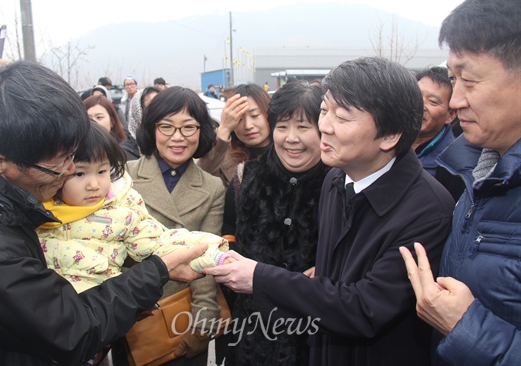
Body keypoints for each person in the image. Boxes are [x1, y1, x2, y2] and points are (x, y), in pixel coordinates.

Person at [204, 57, 456, 366]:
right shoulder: (337, 178)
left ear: (390, 135)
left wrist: (260, 276)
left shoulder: (428, 211)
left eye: (343, 116)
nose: (324, 126)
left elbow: (365, 308)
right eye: (324, 111)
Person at [0, 60, 206, 365]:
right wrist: (157, 271)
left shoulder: (2, 203)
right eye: (60, 162)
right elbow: (71, 328)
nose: (69, 171)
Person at [400, 1, 521, 365]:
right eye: (454, 81)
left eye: (469, 80)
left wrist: (466, 327)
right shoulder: (475, 176)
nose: (456, 100)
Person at [36, 121, 231, 293]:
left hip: (101, 310)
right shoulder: (35, 211)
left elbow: (161, 241)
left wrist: (211, 254)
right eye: (80, 174)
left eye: (102, 171)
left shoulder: (121, 211)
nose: (94, 185)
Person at [219, 80, 329, 365]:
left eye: (303, 127)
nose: (291, 138)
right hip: (251, 339)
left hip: (316, 338)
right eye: (282, 127)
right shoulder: (246, 177)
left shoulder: (338, 183)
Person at [126, 86, 226, 365]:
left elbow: (207, 258)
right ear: (152, 129)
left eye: (188, 127)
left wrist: (204, 322)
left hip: (180, 319)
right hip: (132, 314)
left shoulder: (212, 187)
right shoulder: (125, 175)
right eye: (166, 127)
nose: (177, 137)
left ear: (202, 131)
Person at [197, 83, 272, 187]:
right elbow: (200, 182)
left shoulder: (288, 154)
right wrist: (224, 129)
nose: (248, 125)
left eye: (254, 115)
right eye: (239, 119)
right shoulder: (223, 158)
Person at [413, 66, 457, 177]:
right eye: (416, 95)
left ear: (450, 115)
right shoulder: (384, 140)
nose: (420, 105)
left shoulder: (451, 165)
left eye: (432, 101)